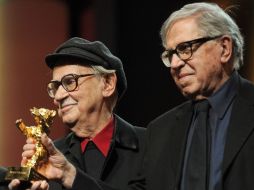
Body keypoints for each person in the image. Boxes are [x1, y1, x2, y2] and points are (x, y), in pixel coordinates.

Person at [10, 2, 254, 190]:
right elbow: (10, 176)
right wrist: (67, 176)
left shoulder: (147, 140)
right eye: (170, 54)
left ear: (224, 48)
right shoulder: (163, 130)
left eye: (185, 49)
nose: (175, 64)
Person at [8, 37, 146, 189]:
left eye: (70, 82)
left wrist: (70, 175)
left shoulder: (151, 145)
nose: (59, 96)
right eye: (55, 87)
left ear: (107, 83)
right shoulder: (48, 159)